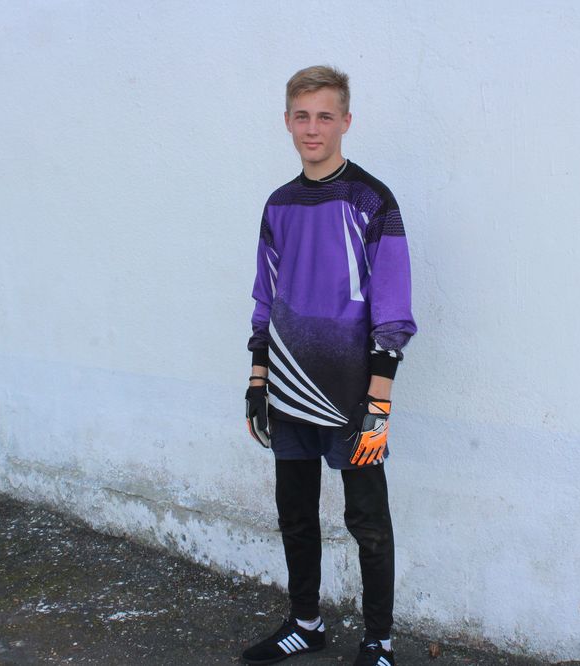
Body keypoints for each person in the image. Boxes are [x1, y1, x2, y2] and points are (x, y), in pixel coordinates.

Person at [241, 65, 417, 666]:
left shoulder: (371, 200)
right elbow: (265, 295)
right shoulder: (279, 204)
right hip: (289, 386)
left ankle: (378, 641)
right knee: (295, 514)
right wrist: (258, 379)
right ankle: (306, 623)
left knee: (367, 520)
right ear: (287, 122)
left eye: (324, 116)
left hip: (351, 393)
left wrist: (379, 400)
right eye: (302, 116)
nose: (312, 128)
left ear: (346, 121)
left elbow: (392, 305)